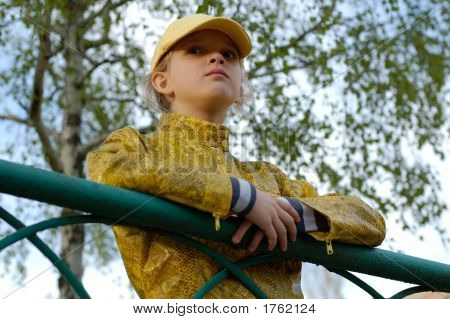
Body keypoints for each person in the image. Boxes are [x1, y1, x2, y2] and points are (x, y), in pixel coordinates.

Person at [85, 13, 387, 298]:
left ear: (240, 89)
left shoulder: (269, 178)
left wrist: (291, 216)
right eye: (195, 50)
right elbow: (108, 169)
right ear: (162, 82)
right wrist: (241, 199)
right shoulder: (136, 148)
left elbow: (370, 222)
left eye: (229, 55)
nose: (216, 57)